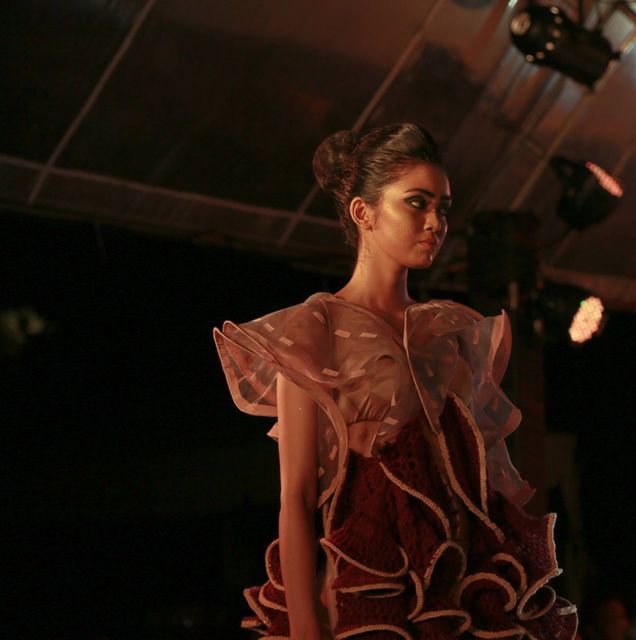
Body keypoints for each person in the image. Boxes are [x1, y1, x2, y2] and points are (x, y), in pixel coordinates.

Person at [213, 123, 578, 639]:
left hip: (454, 591)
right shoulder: (315, 332)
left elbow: (480, 484)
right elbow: (295, 496)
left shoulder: (450, 333)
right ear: (363, 212)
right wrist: (305, 630)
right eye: (416, 203)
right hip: (367, 588)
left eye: (443, 208)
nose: (435, 222)